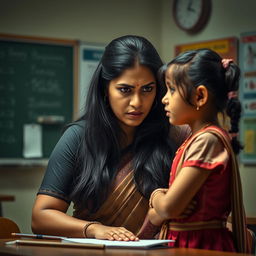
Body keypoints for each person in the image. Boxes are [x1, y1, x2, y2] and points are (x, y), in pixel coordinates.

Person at [31, 35, 188, 241]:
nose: (137, 102)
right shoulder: (79, 137)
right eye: (125, 90)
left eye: (148, 89)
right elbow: (40, 217)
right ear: (106, 89)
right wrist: (95, 229)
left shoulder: (175, 135)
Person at [148, 49, 248, 253]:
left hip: (200, 246)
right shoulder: (196, 139)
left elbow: (168, 208)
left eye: (172, 89)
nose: (164, 99)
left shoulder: (207, 141)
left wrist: (156, 195)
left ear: (200, 96)